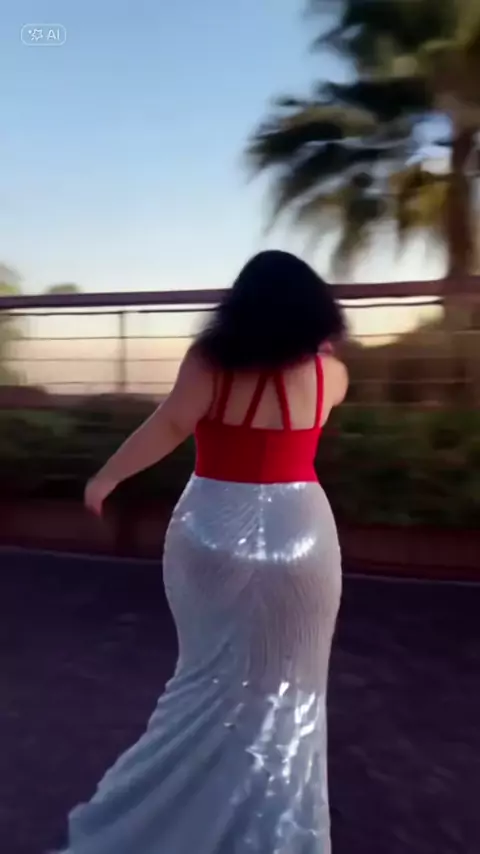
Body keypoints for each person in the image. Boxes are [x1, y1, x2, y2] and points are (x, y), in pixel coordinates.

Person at [60, 250, 348, 854]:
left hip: (214, 528)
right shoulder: (333, 375)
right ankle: (273, 831)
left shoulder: (209, 363)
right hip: (303, 536)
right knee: (291, 691)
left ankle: (169, 816)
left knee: (204, 679)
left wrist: (106, 478)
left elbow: (169, 425)